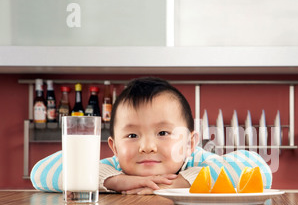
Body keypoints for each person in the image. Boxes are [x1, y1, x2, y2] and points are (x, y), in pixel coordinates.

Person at [31, 77, 272, 194]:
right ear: (114, 147)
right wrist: (112, 181)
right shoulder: (115, 167)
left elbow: (259, 169)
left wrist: (184, 182)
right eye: (132, 135)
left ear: (189, 143)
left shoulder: (199, 162)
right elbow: (40, 172)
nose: (147, 147)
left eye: (163, 133)